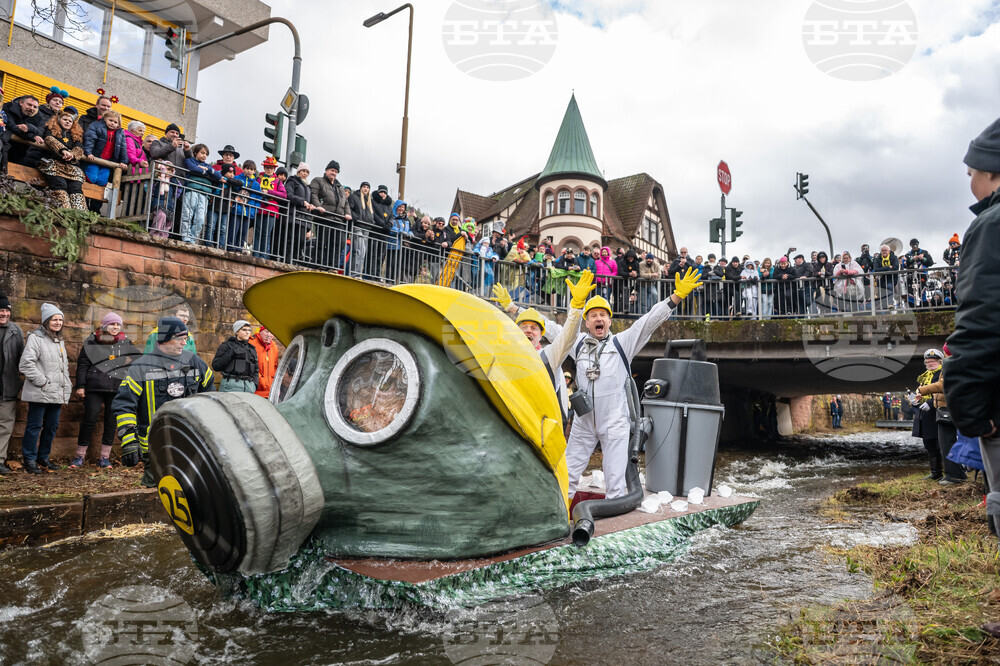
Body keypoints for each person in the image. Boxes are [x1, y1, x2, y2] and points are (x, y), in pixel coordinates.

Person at [565, 267, 702, 499]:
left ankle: (613, 520)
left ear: (610, 321)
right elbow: (550, 330)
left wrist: (675, 297)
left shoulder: (622, 343)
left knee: (615, 480)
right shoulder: (575, 343)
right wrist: (514, 309)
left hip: (614, 423)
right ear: (586, 322)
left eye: (603, 315)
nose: (598, 319)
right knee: (567, 473)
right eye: (593, 315)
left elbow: (648, 321)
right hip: (583, 423)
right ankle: (558, 518)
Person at [944, 115, 1000, 540]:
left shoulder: (990, 225)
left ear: (991, 172)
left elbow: (982, 319)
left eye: (971, 173)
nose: (970, 182)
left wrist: (971, 413)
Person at [114, 316, 214, 487]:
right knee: (155, 493)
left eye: (186, 339)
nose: (184, 343)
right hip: (155, 447)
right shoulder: (141, 367)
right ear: (165, 338)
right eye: (180, 338)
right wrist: (129, 439)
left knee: (191, 492)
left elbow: (211, 399)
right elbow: (124, 405)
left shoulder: (195, 362)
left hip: (190, 443)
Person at [492, 270, 593, 418]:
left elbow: (567, 335)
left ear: (540, 335)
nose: (529, 331)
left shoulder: (549, 356)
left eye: (534, 328)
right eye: (524, 327)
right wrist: (512, 308)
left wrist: (576, 307)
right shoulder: (507, 357)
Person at [72, 312, 138, 469]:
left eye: (118, 325)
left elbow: (137, 358)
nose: (115, 327)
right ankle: (79, 457)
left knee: (111, 422)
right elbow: (83, 364)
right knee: (89, 419)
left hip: (116, 387)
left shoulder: (124, 342)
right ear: (104, 326)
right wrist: (81, 385)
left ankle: (104, 458)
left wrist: (126, 372)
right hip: (94, 386)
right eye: (112, 324)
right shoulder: (92, 340)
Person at [18, 303, 71, 473]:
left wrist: (66, 385)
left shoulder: (59, 340)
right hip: (40, 392)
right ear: (46, 320)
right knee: (34, 426)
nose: (58, 323)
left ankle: (44, 457)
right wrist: (43, 381)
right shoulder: (36, 338)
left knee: (51, 426)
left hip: (56, 393)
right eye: (54, 319)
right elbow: (26, 364)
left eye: (60, 320)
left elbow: (64, 367)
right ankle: (30, 459)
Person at [919, 344, 965, 485]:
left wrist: (922, 390)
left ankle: (955, 476)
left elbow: (943, 385)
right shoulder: (956, 363)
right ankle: (951, 473)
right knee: (945, 442)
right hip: (944, 408)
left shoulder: (951, 365)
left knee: (947, 443)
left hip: (947, 409)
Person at [38, 111, 87, 210]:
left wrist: (73, 154)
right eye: (65, 119)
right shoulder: (50, 129)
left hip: (71, 167)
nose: (68, 122)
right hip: (54, 164)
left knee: (76, 188)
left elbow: (79, 147)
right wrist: (63, 150)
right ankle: (63, 211)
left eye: (70, 121)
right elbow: (49, 139)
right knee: (60, 185)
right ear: (58, 120)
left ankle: (80, 215)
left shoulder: (75, 135)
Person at [309, 160, 351, 268]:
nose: (334, 173)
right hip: (324, 217)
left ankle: (333, 267)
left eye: (336, 171)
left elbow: (345, 202)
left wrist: (347, 213)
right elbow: (314, 194)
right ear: (327, 170)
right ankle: (319, 265)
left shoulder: (340, 186)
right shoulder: (318, 181)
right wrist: (318, 206)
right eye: (332, 170)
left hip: (338, 219)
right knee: (322, 242)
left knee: (339, 243)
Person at [911, 349, 945, 481]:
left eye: (933, 361)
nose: (930, 364)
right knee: (929, 443)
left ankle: (947, 472)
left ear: (939, 361)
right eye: (928, 362)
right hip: (924, 414)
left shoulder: (941, 374)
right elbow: (921, 393)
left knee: (940, 443)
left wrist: (930, 403)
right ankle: (935, 472)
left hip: (937, 412)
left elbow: (942, 391)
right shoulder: (924, 376)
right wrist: (916, 401)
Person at [179, 143, 223, 244]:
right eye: (202, 153)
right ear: (195, 152)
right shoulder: (190, 160)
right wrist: (205, 172)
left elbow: (217, 176)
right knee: (188, 214)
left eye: (206, 154)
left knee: (200, 219)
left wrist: (207, 170)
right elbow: (192, 168)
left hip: (205, 194)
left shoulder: (208, 166)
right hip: (191, 190)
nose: (204, 156)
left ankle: (193, 238)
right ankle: (185, 235)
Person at [0, 293, 24, 475]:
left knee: (5, 425)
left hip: (7, 386)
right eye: (1, 311)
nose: (4, 314)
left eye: (6, 311)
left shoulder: (16, 331)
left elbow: (23, 359)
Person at [82, 109, 128, 196]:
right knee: (92, 178)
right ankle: (85, 197)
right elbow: (90, 139)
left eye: (115, 122)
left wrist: (124, 161)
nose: (113, 123)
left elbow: (123, 148)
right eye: (110, 120)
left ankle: (94, 204)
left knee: (102, 181)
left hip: (108, 162)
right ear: (104, 119)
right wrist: (88, 152)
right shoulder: (96, 126)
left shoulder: (120, 133)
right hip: (95, 158)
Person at [212, 320, 259, 393]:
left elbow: (256, 370)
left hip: (249, 387)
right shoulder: (226, 346)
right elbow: (216, 366)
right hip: (230, 386)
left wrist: (254, 385)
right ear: (237, 332)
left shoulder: (251, 349)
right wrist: (231, 352)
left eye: (249, 330)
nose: (247, 332)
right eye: (244, 330)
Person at [254, 156, 287, 259]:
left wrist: (269, 192)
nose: (269, 169)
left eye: (271, 168)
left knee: (266, 234)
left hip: (271, 210)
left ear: (274, 170)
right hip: (259, 208)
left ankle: (263, 256)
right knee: (257, 232)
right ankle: (255, 254)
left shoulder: (277, 182)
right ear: (264, 168)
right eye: (267, 167)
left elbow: (284, 195)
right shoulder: (258, 178)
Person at [283, 163, 316, 265]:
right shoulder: (292, 181)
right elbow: (288, 194)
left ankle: (295, 262)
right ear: (298, 172)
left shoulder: (308, 186)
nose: (305, 174)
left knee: (301, 242)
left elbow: (310, 200)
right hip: (293, 215)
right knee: (291, 240)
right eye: (303, 171)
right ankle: (288, 261)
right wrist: (302, 202)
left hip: (304, 218)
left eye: (307, 172)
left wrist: (312, 205)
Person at [3, 94, 44, 166]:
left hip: (20, 153)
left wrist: (29, 127)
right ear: (21, 102)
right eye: (29, 105)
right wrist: (33, 136)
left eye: (35, 107)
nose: (32, 108)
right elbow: (12, 126)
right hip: (4, 146)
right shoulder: (7, 107)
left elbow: (40, 131)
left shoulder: (38, 116)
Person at [230, 160, 261, 252]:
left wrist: (254, 211)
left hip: (248, 212)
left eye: (251, 169)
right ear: (243, 169)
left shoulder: (256, 184)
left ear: (254, 171)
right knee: (234, 229)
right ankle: (231, 247)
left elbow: (258, 199)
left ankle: (239, 248)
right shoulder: (237, 178)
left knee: (243, 232)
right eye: (247, 168)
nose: (249, 171)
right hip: (237, 209)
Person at [347, 181, 376, 277]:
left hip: (366, 228)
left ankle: (357, 273)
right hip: (357, 226)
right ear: (360, 188)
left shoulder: (369, 201)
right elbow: (349, 208)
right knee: (359, 251)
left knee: (362, 253)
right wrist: (356, 218)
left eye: (368, 187)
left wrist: (372, 223)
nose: (366, 189)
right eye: (364, 187)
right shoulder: (354, 197)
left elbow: (371, 215)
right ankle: (354, 274)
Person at [385, 199, 412, 282]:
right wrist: (401, 232)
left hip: (402, 246)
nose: (401, 209)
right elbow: (391, 228)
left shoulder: (406, 219)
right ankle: (389, 280)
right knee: (391, 264)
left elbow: (409, 229)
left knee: (398, 265)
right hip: (392, 245)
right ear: (396, 207)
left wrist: (410, 233)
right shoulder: (392, 216)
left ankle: (394, 281)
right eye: (399, 207)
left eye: (403, 207)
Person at [250, 326, 279, 399]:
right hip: (255, 390)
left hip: (270, 391)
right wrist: (260, 380)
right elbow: (249, 366)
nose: (269, 335)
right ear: (260, 332)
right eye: (266, 331)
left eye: (271, 332)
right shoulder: (251, 344)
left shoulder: (274, 347)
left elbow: (275, 367)